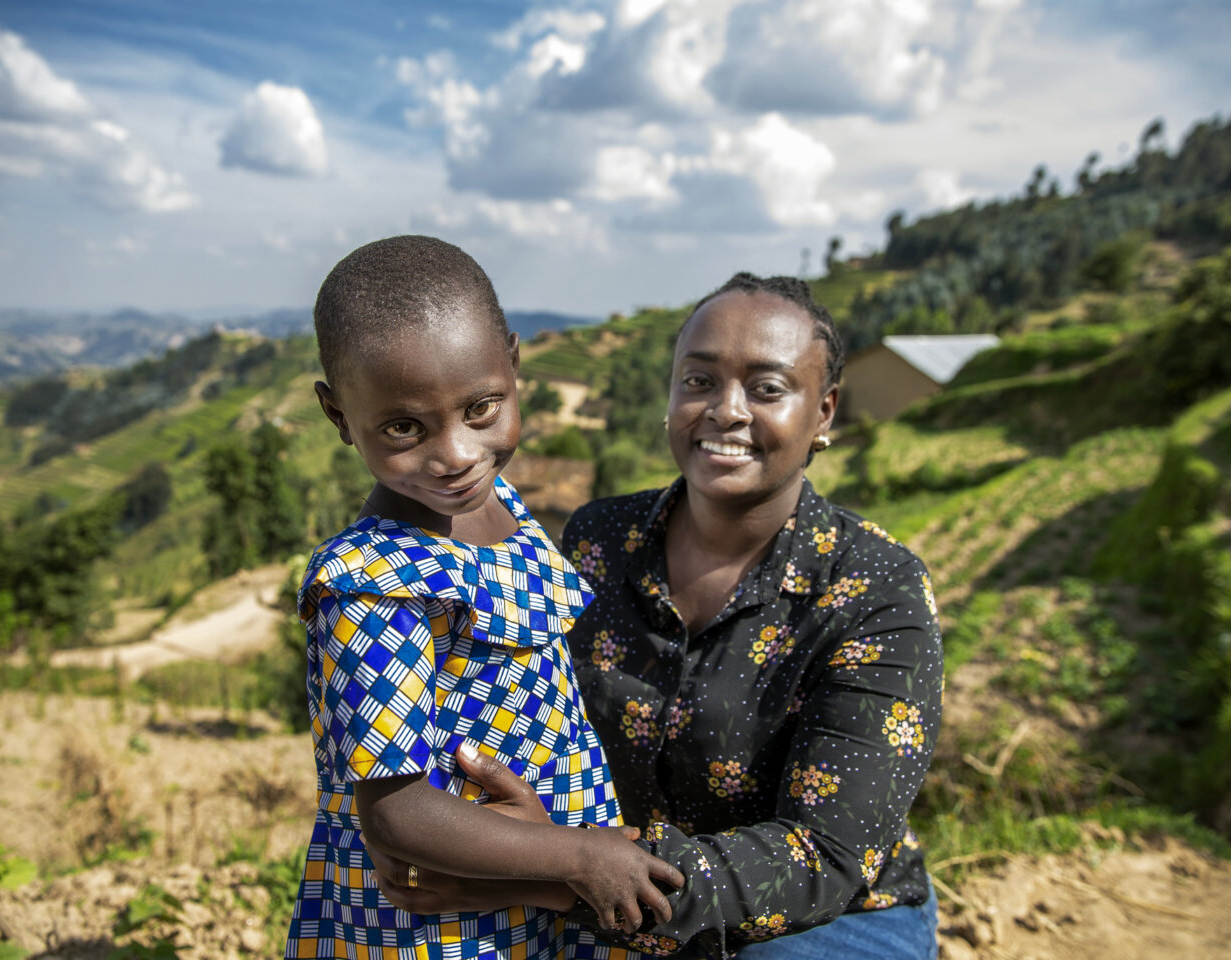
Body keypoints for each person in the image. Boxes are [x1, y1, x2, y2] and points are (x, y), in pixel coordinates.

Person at [377, 272, 943, 960]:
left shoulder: (876, 589)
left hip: (818, 926)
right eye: (699, 381)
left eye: (766, 389)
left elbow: (822, 856)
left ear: (823, 413)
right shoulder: (599, 542)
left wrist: (561, 877)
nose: (725, 411)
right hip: (600, 894)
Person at [285, 235, 683, 960]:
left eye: (481, 409)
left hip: (538, 888)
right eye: (405, 427)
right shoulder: (373, 584)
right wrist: (578, 861)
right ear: (339, 415)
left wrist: (568, 864)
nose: (456, 455)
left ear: (514, 365)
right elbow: (398, 815)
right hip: (448, 921)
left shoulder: (496, 502)